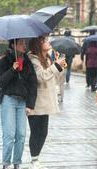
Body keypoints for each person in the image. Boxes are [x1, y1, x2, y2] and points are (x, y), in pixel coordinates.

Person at [0, 39, 37, 169]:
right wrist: (12, 69)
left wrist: (30, 104)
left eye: (25, 43)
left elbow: (33, 83)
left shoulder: (27, 61)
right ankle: (6, 164)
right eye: (21, 44)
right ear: (13, 45)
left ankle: (17, 163)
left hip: (22, 102)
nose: (24, 46)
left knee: (21, 135)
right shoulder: (5, 61)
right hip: (9, 100)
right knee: (9, 135)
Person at [27, 36, 65, 169]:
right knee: (36, 131)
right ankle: (34, 159)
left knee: (43, 132)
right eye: (45, 41)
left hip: (47, 100)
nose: (48, 42)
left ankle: (36, 158)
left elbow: (55, 76)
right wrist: (55, 66)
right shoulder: (33, 59)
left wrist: (60, 66)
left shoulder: (47, 58)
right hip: (35, 102)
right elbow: (41, 77)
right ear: (38, 44)